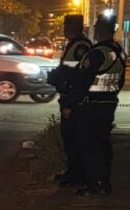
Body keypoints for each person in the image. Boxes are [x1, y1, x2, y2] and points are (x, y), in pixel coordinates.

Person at [70, 14, 126, 196]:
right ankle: (102, 182)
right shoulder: (118, 51)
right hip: (109, 103)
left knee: (92, 145)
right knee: (102, 144)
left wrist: (72, 104)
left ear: (98, 29)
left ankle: (96, 184)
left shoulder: (97, 53)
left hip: (93, 105)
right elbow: (120, 81)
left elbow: (83, 81)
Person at [51, 14, 93, 186]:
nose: (65, 29)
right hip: (69, 98)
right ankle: (72, 173)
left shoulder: (80, 46)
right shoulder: (75, 44)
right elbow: (67, 71)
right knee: (69, 139)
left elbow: (77, 78)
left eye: (67, 26)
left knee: (74, 139)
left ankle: (77, 177)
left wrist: (70, 104)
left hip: (74, 100)